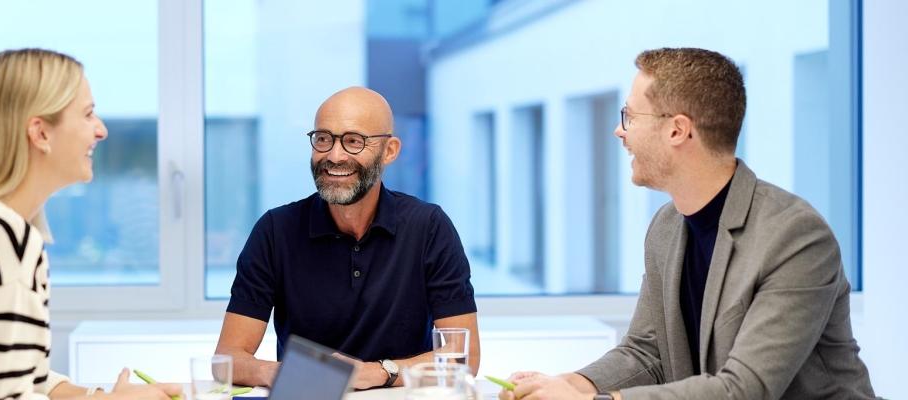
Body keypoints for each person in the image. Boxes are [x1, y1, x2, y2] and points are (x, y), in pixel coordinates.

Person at [500, 47, 875, 400]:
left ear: (678, 130)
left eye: (630, 116)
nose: (620, 131)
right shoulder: (665, 227)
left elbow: (743, 390)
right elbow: (645, 353)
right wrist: (569, 383)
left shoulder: (796, 237)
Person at [0, 48, 181, 400]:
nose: (101, 130)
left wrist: (100, 397)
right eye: (88, 114)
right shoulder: (2, 242)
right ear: (40, 133)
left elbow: (20, 375)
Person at [215, 86, 480, 389]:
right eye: (323, 139)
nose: (334, 156)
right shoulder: (276, 230)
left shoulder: (429, 227)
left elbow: (464, 357)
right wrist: (288, 374)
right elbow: (226, 359)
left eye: (354, 141)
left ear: (389, 151)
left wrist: (379, 372)